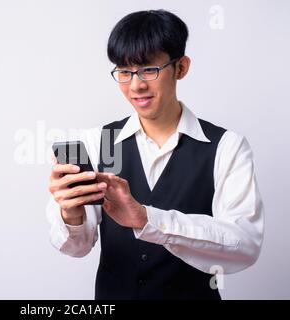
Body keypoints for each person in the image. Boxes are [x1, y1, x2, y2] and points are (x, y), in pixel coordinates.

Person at [46, 9, 264, 300]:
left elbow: (246, 244)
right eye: (124, 71)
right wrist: (70, 214)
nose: (136, 85)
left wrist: (147, 218)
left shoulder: (225, 146)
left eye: (149, 69)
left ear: (181, 68)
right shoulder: (102, 142)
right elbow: (76, 248)